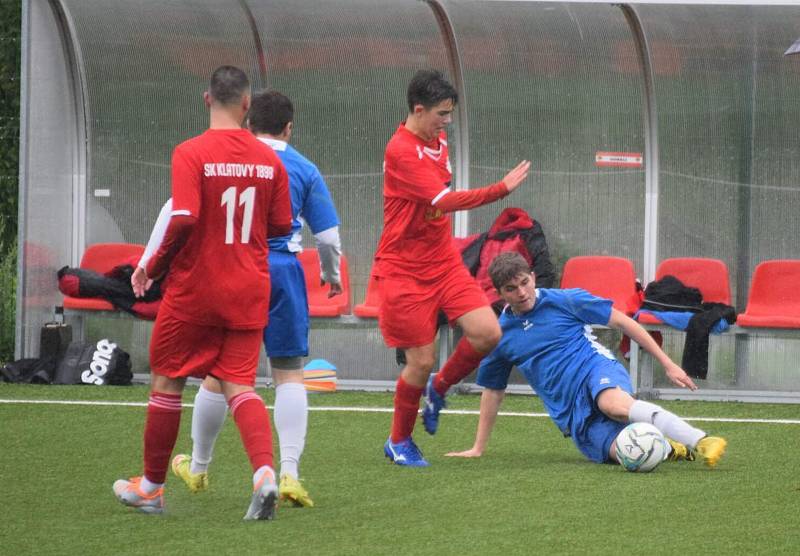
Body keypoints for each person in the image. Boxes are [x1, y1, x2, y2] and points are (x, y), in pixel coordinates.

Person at [135, 90, 342, 508]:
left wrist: (147, 263)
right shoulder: (299, 166)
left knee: (212, 374)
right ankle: (286, 472)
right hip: (277, 272)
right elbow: (325, 235)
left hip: (220, 269)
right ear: (288, 127)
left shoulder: (212, 153)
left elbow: (176, 211)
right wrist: (331, 275)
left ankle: (194, 467)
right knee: (286, 372)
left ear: (247, 121)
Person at [113, 66, 293, 520]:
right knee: (240, 386)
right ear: (247, 105)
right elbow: (279, 226)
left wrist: (153, 266)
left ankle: (152, 487)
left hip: (197, 287)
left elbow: (186, 216)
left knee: (167, 380)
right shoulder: (270, 160)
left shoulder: (190, 152)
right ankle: (265, 474)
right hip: (249, 287)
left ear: (206, 98)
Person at [375, 69, 531, 466]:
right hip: (405, 271)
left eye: (450, 114)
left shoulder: (437, 140)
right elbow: (443, 201)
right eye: (441, 114)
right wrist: (500, 189)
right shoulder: (400, 150)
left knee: (488, 333)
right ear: (418, 109)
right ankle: (399, 442)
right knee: (420, 360)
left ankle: (440, 388)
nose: (447, 122)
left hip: (443, 262)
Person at [445, 252, 728, 468]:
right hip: (572, 414)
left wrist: (668, 363)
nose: (521, 292)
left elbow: (624, 323)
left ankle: (701, 440)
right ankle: (669, 448)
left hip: (594, 369)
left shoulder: (565, 300)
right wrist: (477, 447)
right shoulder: (499, 334)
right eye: (511, 288)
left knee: (613, 405)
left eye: (524, 282)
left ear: (532, 276)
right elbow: (493, 391)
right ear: (499, 292)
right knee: (629, 454)